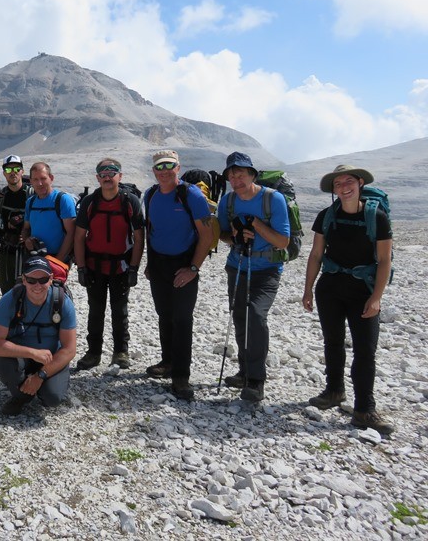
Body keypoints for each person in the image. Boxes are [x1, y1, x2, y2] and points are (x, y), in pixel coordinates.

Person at [302, 165, 394, 434]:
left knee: (365, 350)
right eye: (338, 183)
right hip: (330, 287)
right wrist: (308, 289)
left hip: (363, 290)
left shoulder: (377, 217)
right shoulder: (326, 216)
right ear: (333, 189)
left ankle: (365, 409)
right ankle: (334, 391)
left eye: (349, 181)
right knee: (332, 341)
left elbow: (385, 260)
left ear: (360, 182)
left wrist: (376, 298)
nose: (343, 187)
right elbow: (316, 254)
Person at [216, 152, 289, 402]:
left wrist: (255, 224)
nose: (236, 179)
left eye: (241, 174)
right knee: (240, 317)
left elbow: (283, 240)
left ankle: (256, 380)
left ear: (252, 175)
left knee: (255, 316)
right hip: (237, 266)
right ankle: (245, 372)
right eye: (231, 175)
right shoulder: (228, 201)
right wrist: (235, 236)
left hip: (266, 269)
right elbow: (223, 234)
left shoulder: (273, 199)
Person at [142, 150, 213, 399]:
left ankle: (182, 377)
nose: (164, 171)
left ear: (178, 168)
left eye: (169, 165)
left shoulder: (190, 194)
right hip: (159, 263)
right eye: (159, 167)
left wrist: (193, 269)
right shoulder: (150, 195)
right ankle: (168, 362)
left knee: (183, 319)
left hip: (184, 262)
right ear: (154, 171)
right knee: (164, 315)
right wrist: (150, 264)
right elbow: (152, 231)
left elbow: (207, 235)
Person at [74, 158, 144, 371]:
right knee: (95, 310)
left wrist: (134, 268)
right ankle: (93, 352)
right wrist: (81, 267)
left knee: (119, 310)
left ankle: (120, 351)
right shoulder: (90, 202)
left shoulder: (129, 201)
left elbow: (139, 237)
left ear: (119, 176)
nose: (107, 177)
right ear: (97, 178)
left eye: (111, 173)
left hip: (121, 267)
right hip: (94, 266)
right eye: (102, 174)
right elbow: (79, 237)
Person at [0, 255, 77, 415]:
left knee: (53, 399)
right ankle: (21, 396)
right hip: (20, 357)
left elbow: (69, 349)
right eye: (31, 280)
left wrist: (41, 375)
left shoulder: (62, 302)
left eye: (43, 280)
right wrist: (32, 353)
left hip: (50, 358)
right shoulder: (10, 300)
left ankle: (39, 385)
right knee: (8, 368)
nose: (37, 285)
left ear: (50, 279)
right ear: (23, 279)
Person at [0, 155, 33, 294]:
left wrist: (27, 236)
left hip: (29, 250)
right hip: (7, 250)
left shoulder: (32, 195)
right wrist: (5, 236)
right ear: (4, 173)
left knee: (29, 289)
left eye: (16, 169)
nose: (12, 172)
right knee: (7, 290)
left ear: (22, 171)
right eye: (8, 169)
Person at [21, 162, 76, 263]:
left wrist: (57, 261)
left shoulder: (63, 200)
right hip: (35, 257)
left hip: (58, 258)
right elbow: (26, 228)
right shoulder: (30, 202)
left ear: (51, 178)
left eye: (43, 178)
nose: (39, 183)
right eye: (36, 179)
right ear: (31, 181)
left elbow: (71, 233)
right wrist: (27, 239)